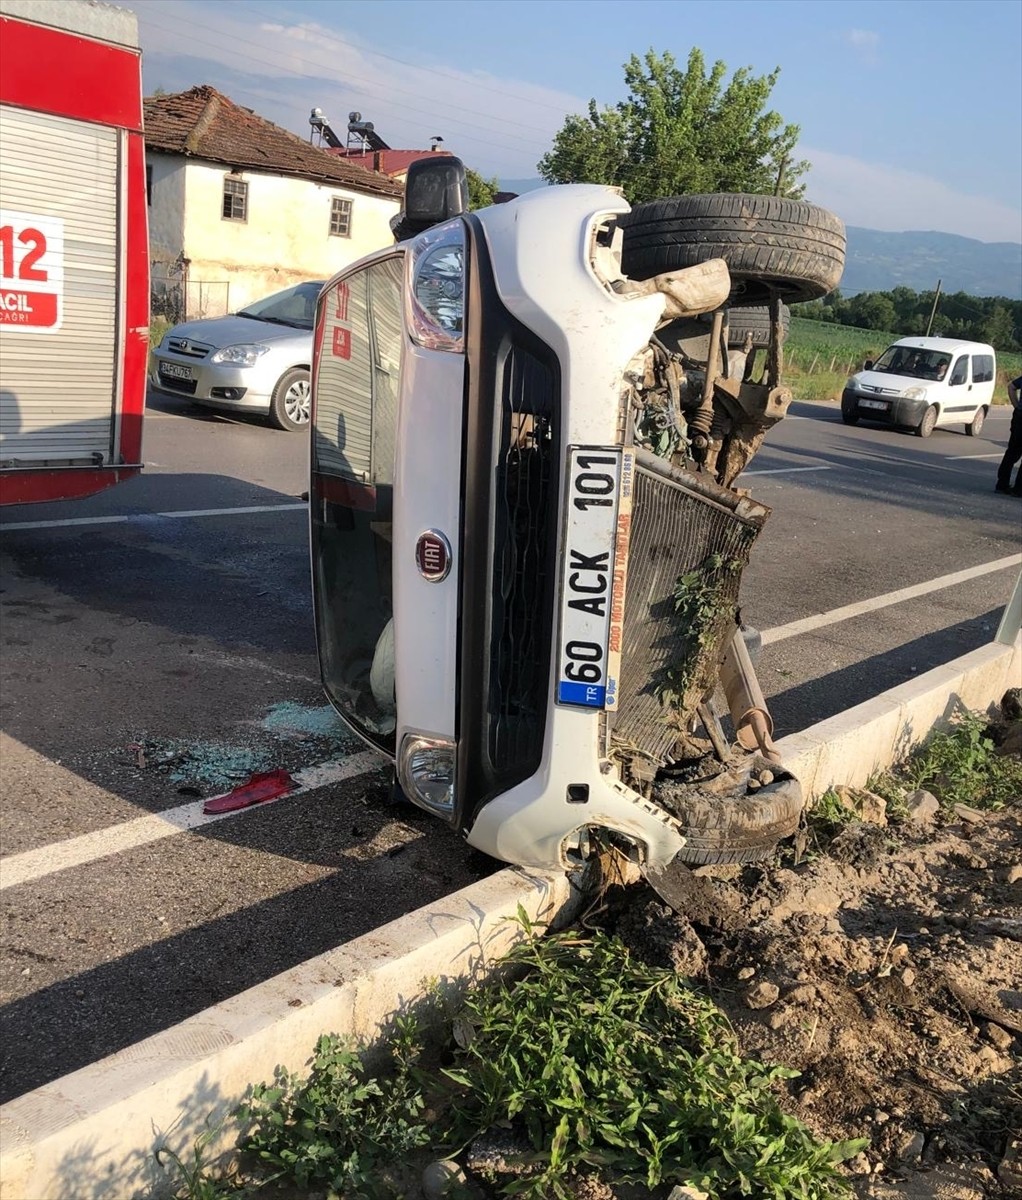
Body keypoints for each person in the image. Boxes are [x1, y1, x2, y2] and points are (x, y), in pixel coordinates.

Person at [995, 374, 1022, 497]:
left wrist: (1017, 407)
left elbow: (1011, 387)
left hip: (1019, 418)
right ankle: (1018, 489)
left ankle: (1002, 484)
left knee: (1012, 452)